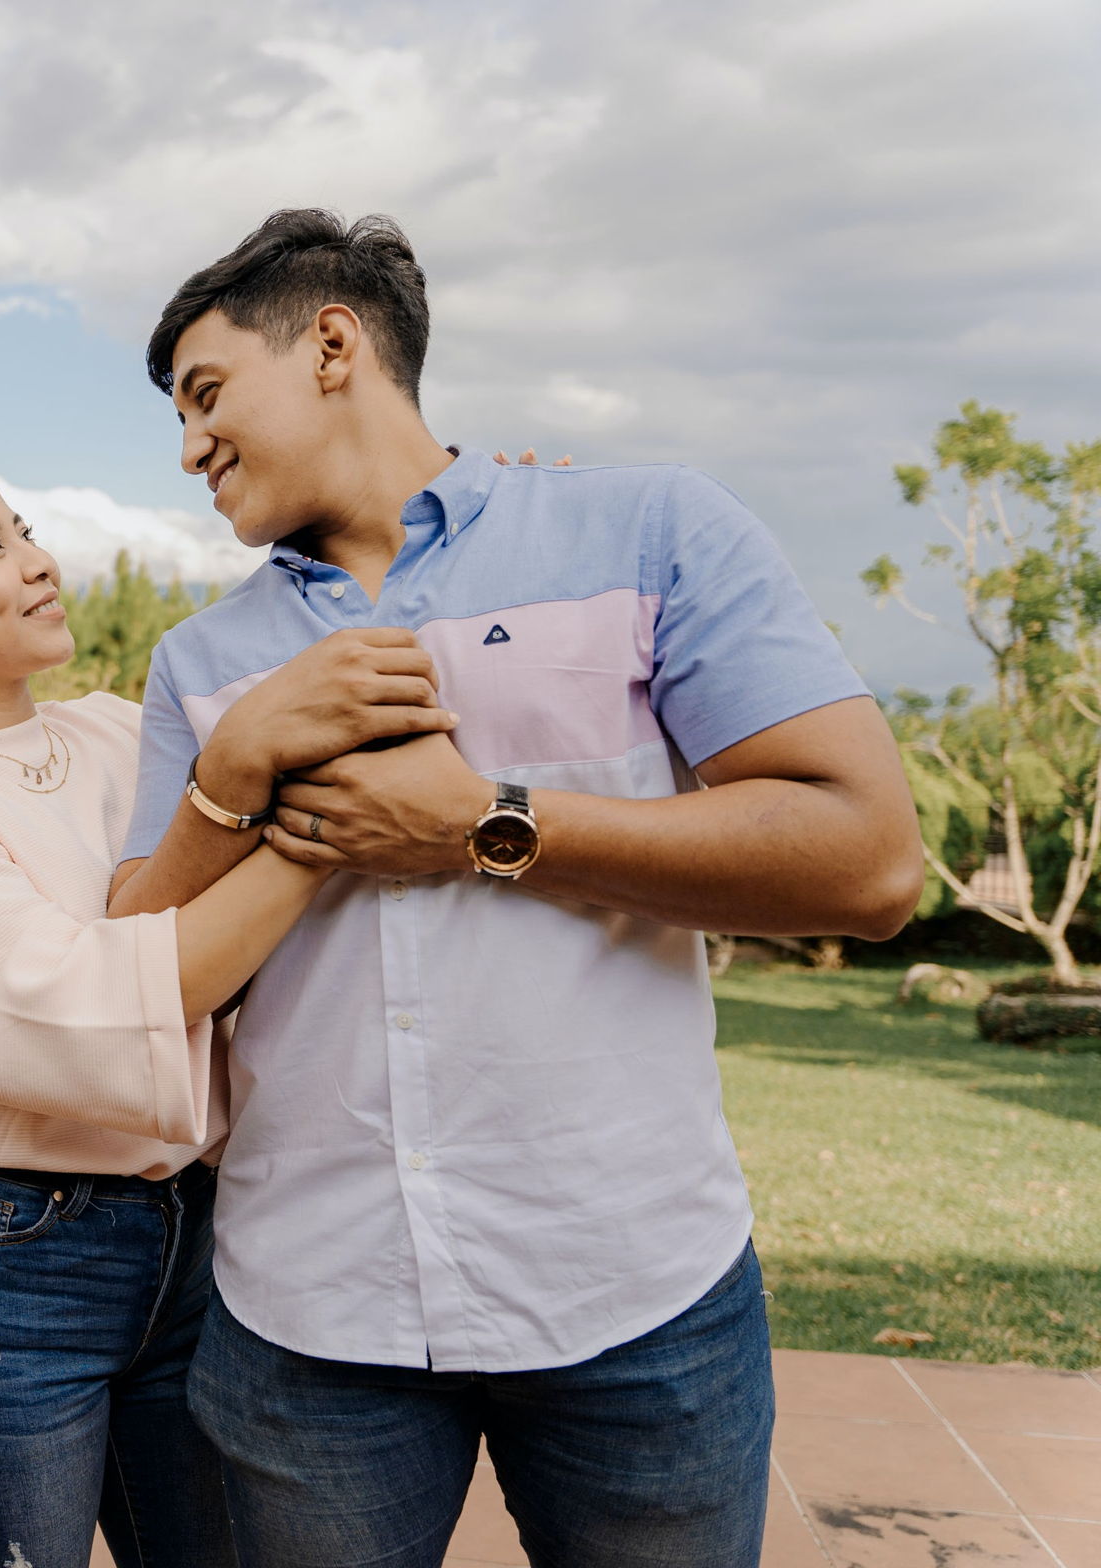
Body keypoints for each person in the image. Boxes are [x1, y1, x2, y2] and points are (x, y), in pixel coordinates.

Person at [108, 210, 924, 1568]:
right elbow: (134, 961)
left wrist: (487, 827)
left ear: (331, 345)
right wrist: (238, 766)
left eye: (205, 393)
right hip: (309, 1322)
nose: (188, 446)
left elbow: (870, 860)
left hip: (635, 1299)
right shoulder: (200, 659)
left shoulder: (650, 530)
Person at [0, 457, 455, 1568]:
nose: (37, 559)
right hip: (6, 1266)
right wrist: (334, 841)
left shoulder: (110, 728)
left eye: (25, 529)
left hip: (192, 1242)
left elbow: (327, 704)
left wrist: (472, 525)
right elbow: (97, 996)